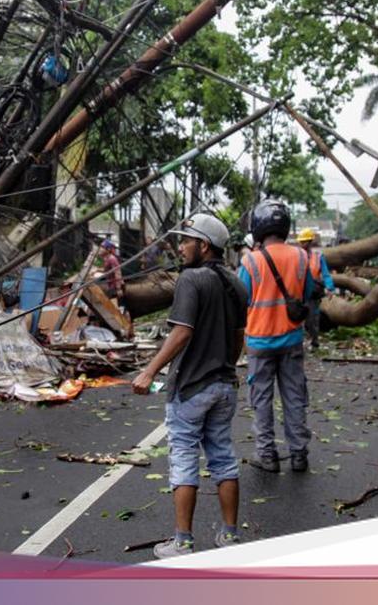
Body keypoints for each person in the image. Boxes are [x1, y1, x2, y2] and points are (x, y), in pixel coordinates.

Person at [133, 213, 246, 558]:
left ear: (204, 245)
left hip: (192, 388)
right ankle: (229, 536)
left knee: (183, 460)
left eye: (186, 241)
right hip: (224, 386)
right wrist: (225, 366)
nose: (180, 247)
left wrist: (148, 371)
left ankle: (182, 542)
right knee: (224, 459)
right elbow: (239, 337)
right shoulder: (237, 284)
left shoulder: (191, 280)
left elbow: (182, 332)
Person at [238, 200, 314, 473]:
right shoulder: (301, 257)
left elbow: (240, 301)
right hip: (291, 340)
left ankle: (267, 456)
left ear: (257, 228)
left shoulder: (249, 261)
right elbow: (306, 296)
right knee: (294, 397)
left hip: (259, 342)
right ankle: (298, 455)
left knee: (261, 399)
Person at [297, 228, 335, 349]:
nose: (302, 244)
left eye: (304, 242)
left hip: (313, 294)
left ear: (309, 242)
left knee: (312, 320)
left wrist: (329, 287)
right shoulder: (296, 256)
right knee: (298, 319)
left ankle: (315, 341)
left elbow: (325, 274)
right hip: (299, 293)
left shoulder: (318, 257)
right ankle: (298, 344)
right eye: (301, 242)